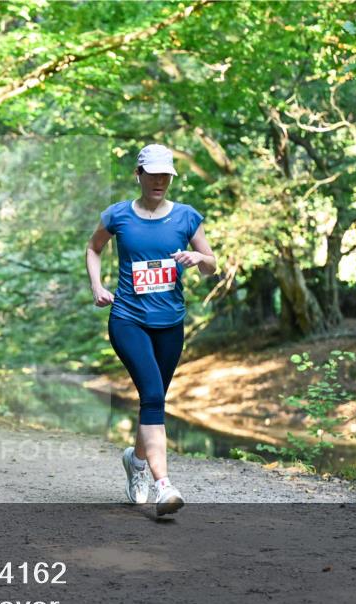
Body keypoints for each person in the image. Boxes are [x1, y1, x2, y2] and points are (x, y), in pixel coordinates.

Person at [85, 144, 217, 516]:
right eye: (153, 175)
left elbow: (212, 265)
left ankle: (136, 461)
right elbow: (93, 249)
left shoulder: (187, 217)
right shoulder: (118, 215)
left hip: (170, 324)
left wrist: (199, 258)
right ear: (138, 174)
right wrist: (97, 286)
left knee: (153, 400)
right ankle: (164, 486)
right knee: (154, 396)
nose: (159, 182)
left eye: (166, 176)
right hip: (128, 318)